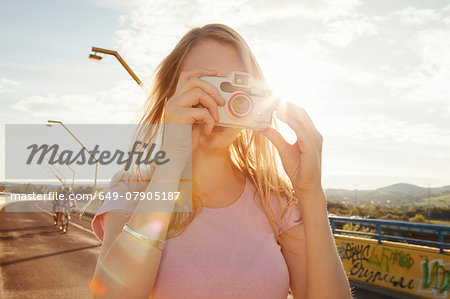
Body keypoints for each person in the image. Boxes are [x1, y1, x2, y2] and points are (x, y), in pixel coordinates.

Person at [90, 24, 351, 299]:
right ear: (170, 97)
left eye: (234, 86)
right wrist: (169, 167)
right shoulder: (133, 189)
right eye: (205, 85)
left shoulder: (275, 203)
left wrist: (311, 194)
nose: (217, 102)